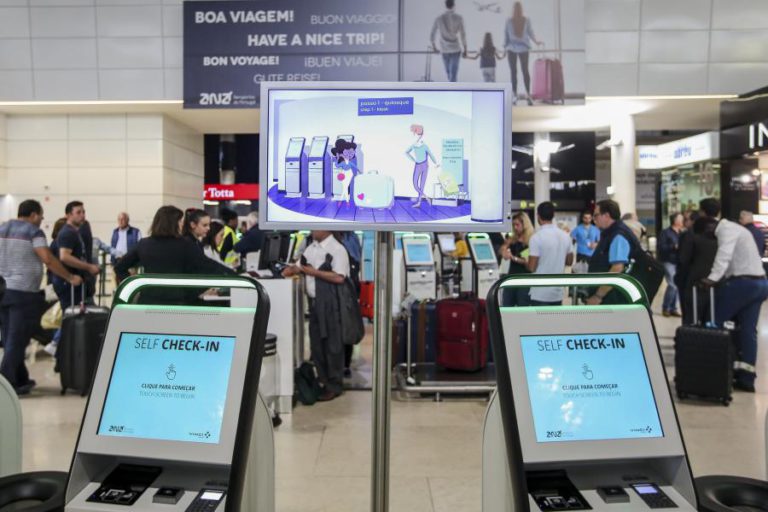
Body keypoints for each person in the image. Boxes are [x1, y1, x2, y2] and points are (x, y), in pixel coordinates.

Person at [0, 200, 82, 395]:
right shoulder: (33, 232)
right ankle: (5, 385)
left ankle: (21, 380)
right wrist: (70, 277)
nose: (41, 220)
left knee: (10, 336)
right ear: (34, 215)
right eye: (41, 216)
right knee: (17, 340)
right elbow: (47, 258)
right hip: (23, 293)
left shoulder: (2, 228)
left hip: (2, 291)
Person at [699, 198, 768, 392]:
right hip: (760, 283)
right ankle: (746, 378)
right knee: (747, 331)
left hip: (743, 284)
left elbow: (724, 255)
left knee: (713, 323)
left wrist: (711, 278)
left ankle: (712, 373)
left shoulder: (726, 230)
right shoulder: (738, 229)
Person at [114, 206, 235, 303]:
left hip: (148, 300)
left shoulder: (144, 244)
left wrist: (136, 288)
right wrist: (234, 276)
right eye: (180, 221)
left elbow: (119, 267)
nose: (182, 225)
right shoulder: (185, 244)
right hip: (177, 302)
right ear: (173, 223)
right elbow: (208, 265)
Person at [283, 231, 350, 401]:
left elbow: (339, 277)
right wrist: (285, 272)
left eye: (315, 227)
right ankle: (323, 380)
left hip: (331, 304)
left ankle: (334, 385)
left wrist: (314, 272)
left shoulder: (337, 249)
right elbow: (299, 267)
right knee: (317, 345)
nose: (312, 230)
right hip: (314, 304)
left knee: (332, 345)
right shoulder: (311, 248)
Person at [586, 199, 642, 305]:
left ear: (606, 215)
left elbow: (617, 269)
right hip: (612, 296)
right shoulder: (611, 233)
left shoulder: (618, 235)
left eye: (596, 215)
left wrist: (598, 296)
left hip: (613, 298)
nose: (594, 219)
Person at [53, 201, 100, 312]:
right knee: (70, 319)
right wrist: (89, 267)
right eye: (78, 212)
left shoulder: (75, 232)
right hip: (69, 285)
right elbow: (64, 256)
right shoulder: (67, 233)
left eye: (83, 212)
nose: (82, 215)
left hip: (76, 284)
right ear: (68, 215)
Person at [675, 212, 718, 325]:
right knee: (709, 314)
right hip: (714, 281)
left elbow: (683, 259)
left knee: (690, 314)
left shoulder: (690, 237)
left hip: (692, 280)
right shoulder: (719, 241)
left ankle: (689, 338)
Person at [526, 202, 573, 306]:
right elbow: (569, 262)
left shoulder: (536, 237)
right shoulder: (565, 236)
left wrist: (524, 261)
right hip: (557, 292)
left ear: (538, 215)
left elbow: (532, 267)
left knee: (539, 322)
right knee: (554, 321)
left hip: (540, 293)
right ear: (553, 215)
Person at [504, 1, 543, 105]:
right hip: (522, 48)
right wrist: (536, 41)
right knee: (524, 71)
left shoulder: (510, 20)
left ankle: (515, 95)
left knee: (514, 72)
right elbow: (530, 32)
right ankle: (527, 95)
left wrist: (504, 47)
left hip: (512, 48)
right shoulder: (524, 19)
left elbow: (506, 35)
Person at [338, 231, 363, 377]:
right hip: (350, 287)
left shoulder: (350, 238)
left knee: (347, 326)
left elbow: (355, 261)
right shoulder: (352, 237)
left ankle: (345, 364)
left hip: (348, 289)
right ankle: (343, 364)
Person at [499, 211, 534, 306]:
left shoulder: (532, 240)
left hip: (525, 279)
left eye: (517, 224)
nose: (515, 227)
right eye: (513, 225)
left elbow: (528, 263)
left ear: (525, 224)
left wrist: (513, 258)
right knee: (506, 306)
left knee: (523, 307)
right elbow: (502, 248)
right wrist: (504, 252)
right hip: (511, 277)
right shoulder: (513, 238)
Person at [430, 0, 467, 82]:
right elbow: (463, 34)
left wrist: (434, 48)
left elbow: (432, 34)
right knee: (453, 75)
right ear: (454, 5)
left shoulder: (439, 18)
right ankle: (454, 91)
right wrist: (465, 49)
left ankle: (452, 90)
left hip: (444, 49)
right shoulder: (459, 18)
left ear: (445, 5)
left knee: (449, 74)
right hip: (455, 49)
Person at [404, 124, 439, 208]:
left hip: (425, 165)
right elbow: (406, 152)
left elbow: (431, 155)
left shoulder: (425, 146)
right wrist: (413, 160)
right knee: (415, 184)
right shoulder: (414, 145)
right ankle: (426, 197)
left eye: (419, 134)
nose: (417, 136)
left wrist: (436, 163)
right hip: (418, 165)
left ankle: (419, 202)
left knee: (422, 185)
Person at [658, 212, 684, 317]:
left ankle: (673, 308)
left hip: (679, 262)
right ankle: (666, 307)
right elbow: (661, 247)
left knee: (677, 286)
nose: (683, 221)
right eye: (681, 219)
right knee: (672, 285)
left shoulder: (682, 233)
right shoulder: (666, 233)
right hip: (668, 261)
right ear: (675, 220)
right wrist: (673, 247)